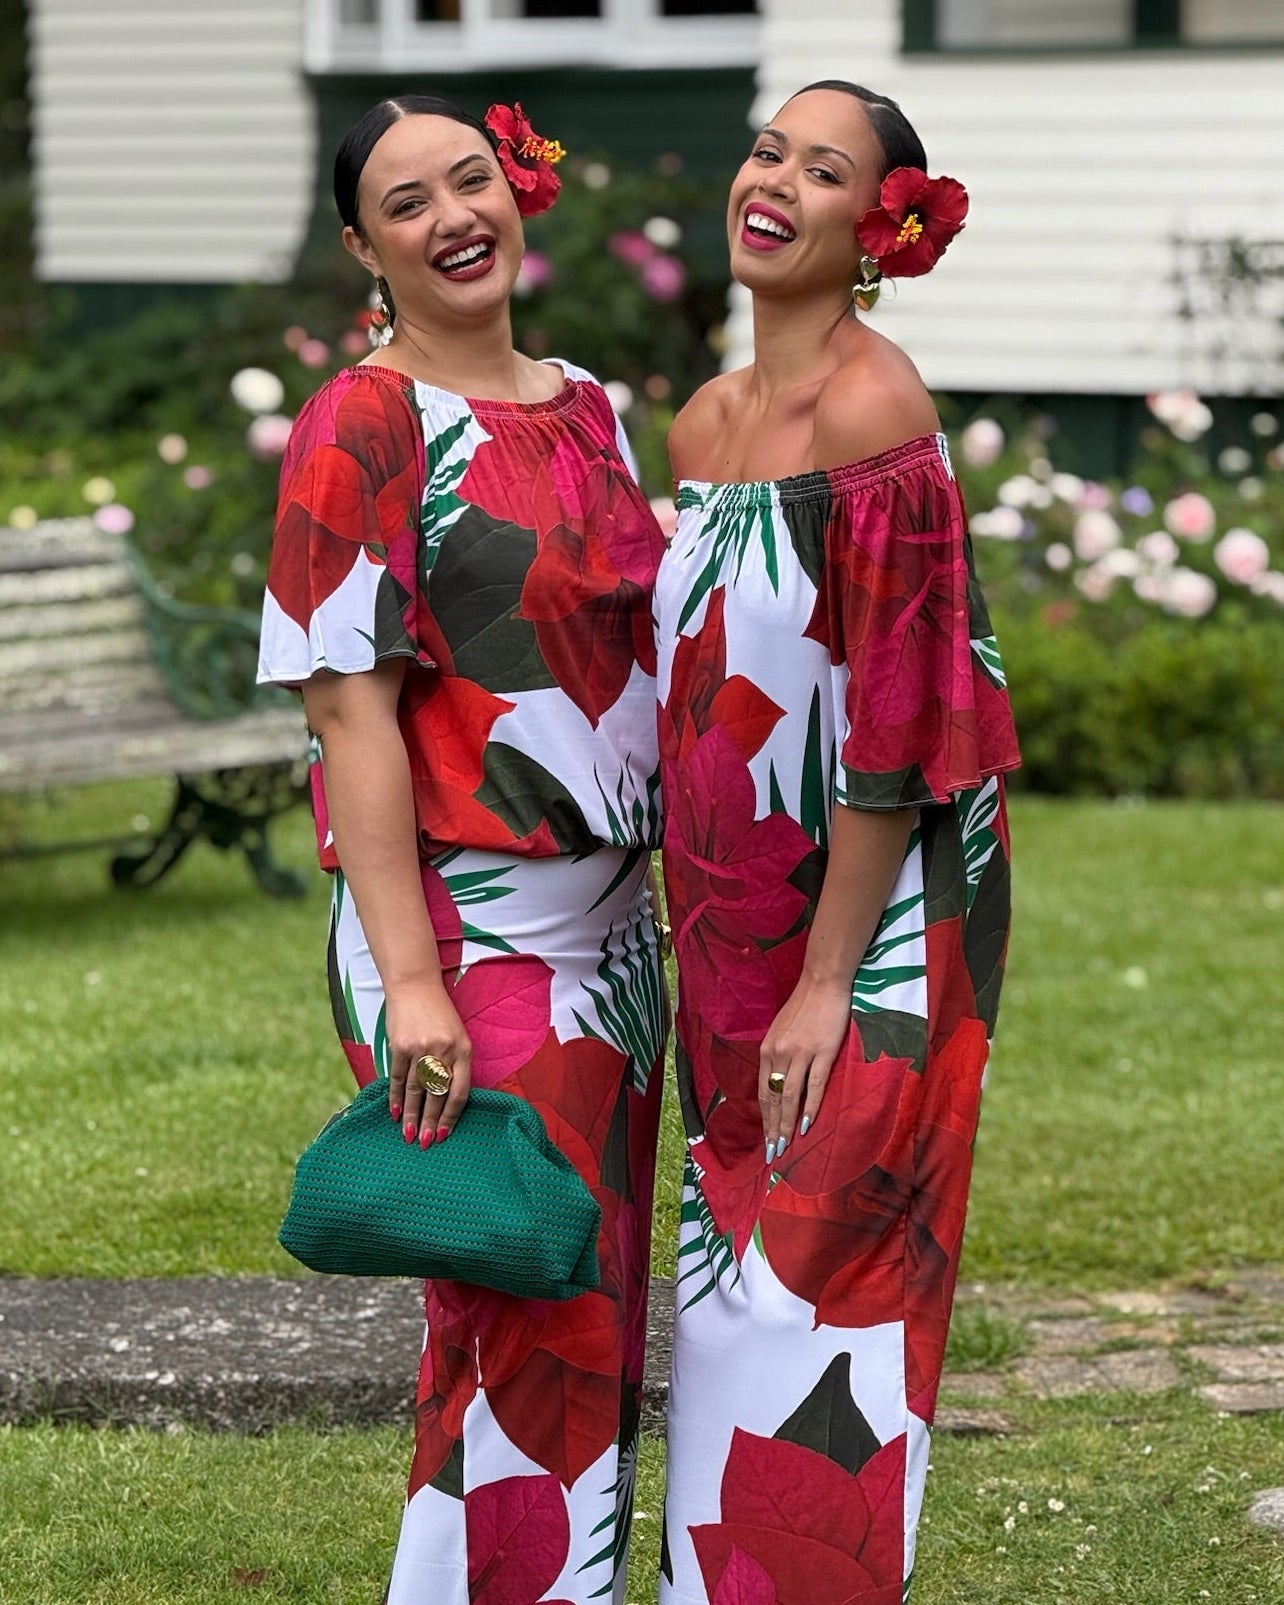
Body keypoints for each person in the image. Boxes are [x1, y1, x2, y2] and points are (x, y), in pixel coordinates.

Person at [257, 95, 668, 1605]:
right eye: (407, 201)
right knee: (522, 1307)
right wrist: (416, 980)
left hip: (618, 954)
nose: (453, 216)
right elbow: (350, 715)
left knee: (588, 1313)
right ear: (365, 246)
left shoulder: (597, 409)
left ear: (520, 190)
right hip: (467, 934)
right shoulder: (362, 425)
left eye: (471, 179)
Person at [653, 81, 1021, 1604]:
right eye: (765, 150)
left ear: (875, 230)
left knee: (826, 1273)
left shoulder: (878, 408)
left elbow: (896, 725)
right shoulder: (700, 423)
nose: (776, 181)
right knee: (731, 1277)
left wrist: (825, 979)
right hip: (732, 906)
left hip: (869, 917)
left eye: (823, 169)